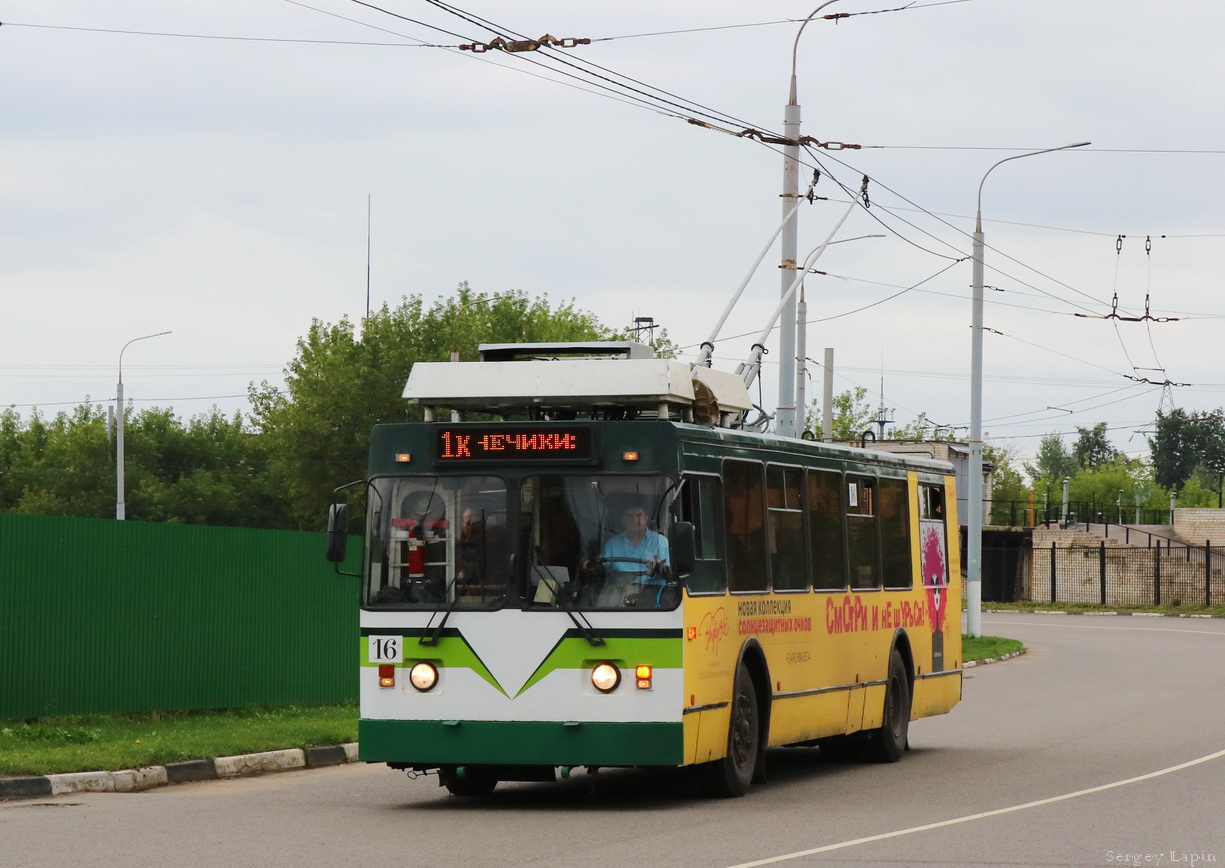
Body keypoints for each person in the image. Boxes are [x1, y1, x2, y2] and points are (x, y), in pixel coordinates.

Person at [596, 503, 670, 606]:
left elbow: (668, 572)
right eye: (629, 516)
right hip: (618, 593)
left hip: (650, 594)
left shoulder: (660, 542)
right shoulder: (612, 543)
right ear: (623, 520)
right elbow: (602, 570)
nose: (634, 520)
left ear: (646, 518)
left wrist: (658, 567)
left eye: (638, 515)